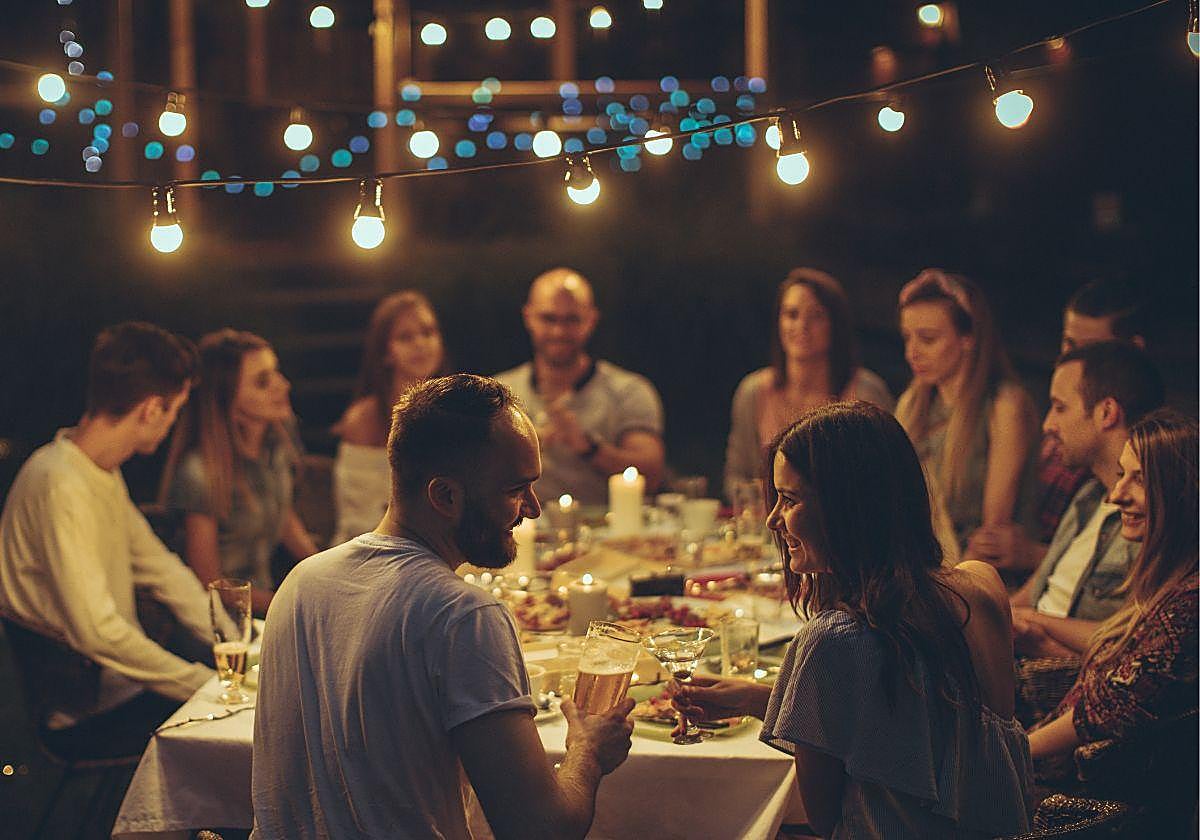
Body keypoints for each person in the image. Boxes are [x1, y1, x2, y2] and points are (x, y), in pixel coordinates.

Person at [251, 374, 634, 839]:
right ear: (445, 496)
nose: (532, 509)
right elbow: (542, 830)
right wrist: (587, 752)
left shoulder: (302, 580)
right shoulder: (464, 617)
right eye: (516, 489)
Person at [673, 402, 1033, 839]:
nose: (772, 520)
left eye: (789, 499)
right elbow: (933, 727)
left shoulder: (835, 639)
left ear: (847, 505)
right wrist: (763, 700)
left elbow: (825, 819)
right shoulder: (982, 585)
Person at [0, 322, 214, 758]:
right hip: (80, 710)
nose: (172, 423)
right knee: (242, 736)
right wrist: (205, 684)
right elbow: (97, 632)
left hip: (117, 688)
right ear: (153, 409)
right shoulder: (59, 481)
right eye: (175, 410)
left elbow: (161, 568)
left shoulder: (96, 470)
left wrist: (229, 638)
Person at [1028, 410, 1196, 832]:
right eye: (1121, 475)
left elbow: (1108, 708)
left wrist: (1009, 753)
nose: (1115, 495)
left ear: (1182, 491)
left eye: (1137, 479)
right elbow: (1116, 657)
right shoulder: (1170, 584)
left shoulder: (1189, 604)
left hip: (1082, 810)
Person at [1006, 342, 1164, 659]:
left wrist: (1033, 628)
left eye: (1060, 407)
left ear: (1106, 413)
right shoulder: (1088, 497)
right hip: (1021, 656)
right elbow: (1034, 592)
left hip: (1061, 679)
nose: (1048, 424)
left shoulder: (1151, 515)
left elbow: (1133, 647)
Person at [158, 329, 316, 616]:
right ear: (227, 400)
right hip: (219, 622)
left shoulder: (277, 443)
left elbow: (281, 515)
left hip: (267, 604)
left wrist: (329, 569)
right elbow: (211, 583)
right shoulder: (200, 472)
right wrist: (290, 606)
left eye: (276, 372)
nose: (283, 385)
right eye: (262, 381)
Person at [495, 267, 665, 505]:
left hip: (608, 536)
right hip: (522, 532)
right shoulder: (498, 394)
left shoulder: (628, 391)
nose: (559, 331)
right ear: (528, 317)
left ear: (591, 320)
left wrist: (588, 447)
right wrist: (526, 447)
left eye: (572, 320)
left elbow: (652, 474)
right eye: (549, 318)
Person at [896, 268, 1039, 550]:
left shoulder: (1004, 406)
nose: (912, 352)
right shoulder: (914, 404)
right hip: (920, 565)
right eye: (906, 338)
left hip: (976, 572)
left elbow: (991, 533)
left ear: (968, 338)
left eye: (927, 339)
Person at [723, 268, 893, 501]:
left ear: (836, 325)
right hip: (770, 528)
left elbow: (885, 482)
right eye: (792, 314)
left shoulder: (865, 392)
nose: (802, 325)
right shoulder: (753, 392)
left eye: (816, 316)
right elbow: (734, 480)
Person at [1029, 279, 1148, 546]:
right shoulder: (1061, 429)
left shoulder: (1135, 460)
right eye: (1070, 343)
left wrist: (1029, 554)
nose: (1075, 357)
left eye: (1092, 348)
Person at [331, 290, 447, 544]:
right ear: (385, 352)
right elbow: (358, 516)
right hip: (372, 549)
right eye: (406, 337)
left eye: (428, 333)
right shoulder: (364, 419)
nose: (420, 343)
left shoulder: (451, 411)